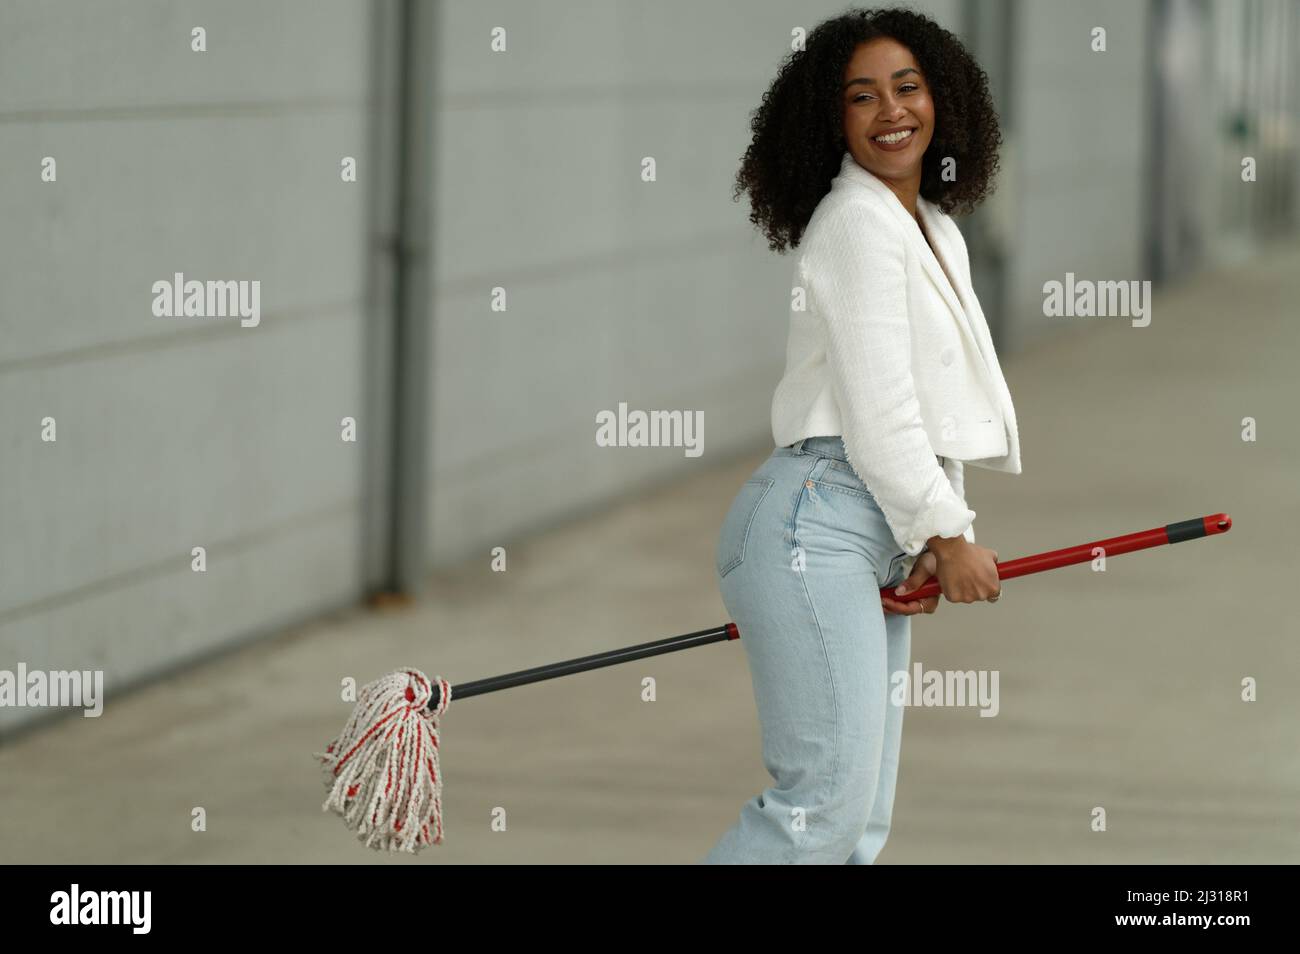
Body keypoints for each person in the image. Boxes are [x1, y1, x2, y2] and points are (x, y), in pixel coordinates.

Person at [703, 7, 1021, 864]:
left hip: (866, 525)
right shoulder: (855, 224)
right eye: (862, 96)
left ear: (942, 98)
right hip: (815, 521)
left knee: (857, 825)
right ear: (831, 119)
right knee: (819, 812)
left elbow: (933, 405)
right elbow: (879, 410)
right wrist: (947, 534)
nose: (891, 110)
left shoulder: (931, 228)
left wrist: (925, 534)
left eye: (908, 87)